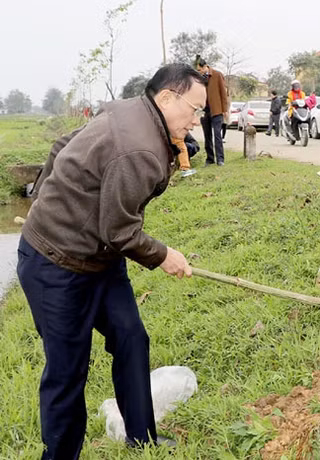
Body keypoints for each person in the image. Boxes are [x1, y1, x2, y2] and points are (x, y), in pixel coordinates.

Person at [17, 64, 204, 459]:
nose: (196, 120)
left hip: (101, 259)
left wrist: (44, 199)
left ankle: (141, 438)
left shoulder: (131, 110)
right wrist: (164, 255)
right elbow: (119, 231)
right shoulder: (139, 147)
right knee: (68, 371)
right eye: (195, 109)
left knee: (131, 337)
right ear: (166, 98)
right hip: (56, 265)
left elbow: (61, 146)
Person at [194, 55, 229, 166]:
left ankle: (220, 159)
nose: (199, 72)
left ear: (205, 66)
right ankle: (210, 159)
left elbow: (223, 93)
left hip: (216, 110)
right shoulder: (199, 79)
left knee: (217, 135)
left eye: (200, 69)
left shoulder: (217, 75)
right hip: (204, 110)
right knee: (207, 135)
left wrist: (225, 109)